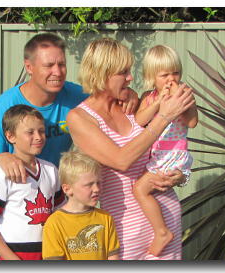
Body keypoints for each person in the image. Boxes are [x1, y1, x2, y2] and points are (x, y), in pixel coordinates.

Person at [67, 38, 195, 260]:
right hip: (125, 230)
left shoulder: (131, 104)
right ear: (102, 74)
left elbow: (165, 150)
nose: (130, 78)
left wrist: (180, 176)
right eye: (123, 72)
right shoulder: (79, 118)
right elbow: (121, 160)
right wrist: (164, 116)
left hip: (165, 219)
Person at [0, 33, 139, 184]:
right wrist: (1, 159)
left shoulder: (77, 97)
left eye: (61, 64)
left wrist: (128, 94)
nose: (57, 72)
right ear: (29, 67)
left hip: (55, 200)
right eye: (49, 65)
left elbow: (105, 95)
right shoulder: (4, 107)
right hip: (13, 206)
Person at [133, 45, 198, 257]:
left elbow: (193, 122)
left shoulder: (185, 95)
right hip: (158, 155)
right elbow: (139, 121)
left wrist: (184, 103)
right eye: (164, 75)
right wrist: (158, 104)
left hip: (173, 154)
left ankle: (161, 232)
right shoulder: (150, 98)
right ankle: (159, 229)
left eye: (175, 73)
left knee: (140, 189)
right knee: (146, 189)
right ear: (152, 77)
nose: (171, 79)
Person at [0, 105, 64, 260]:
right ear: (11, 136)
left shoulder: (51, 170)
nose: (38, 137)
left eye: (41, 131)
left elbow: (60, 214)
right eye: (30, 132)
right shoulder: (0, 174)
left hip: (48, 256)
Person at [42, 150, 120, 260]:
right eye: (89, 185)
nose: (96, 189)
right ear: (67, 189)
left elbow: (113, 257)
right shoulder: (54, 224)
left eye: (98, 183)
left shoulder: (106, 218)